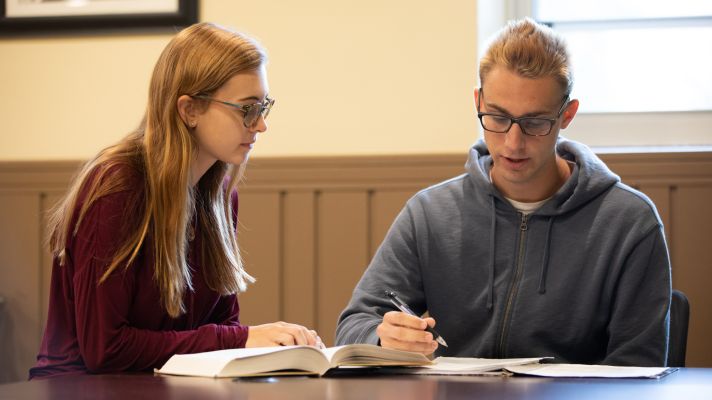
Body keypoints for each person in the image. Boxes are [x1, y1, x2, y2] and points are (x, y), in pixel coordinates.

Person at [335, 18, 671, 367]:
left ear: (566, 115)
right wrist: (382, 337)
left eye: (535, 123)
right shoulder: (430, 213)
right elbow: (354, 324)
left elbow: (639, 366)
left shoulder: (629, 222)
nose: (513, 143)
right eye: (497, 117)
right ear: (478, 101)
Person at [30, 22, 322, 379]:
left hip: (166, 385)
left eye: (265, 107)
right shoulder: (116, 189)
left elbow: (221, 325)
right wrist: (245, 338)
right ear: (189, 110)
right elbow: (105, 349)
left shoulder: (219, 196)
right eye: (247, 109)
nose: (261, 125)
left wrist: (268, 345)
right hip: (83, 388)